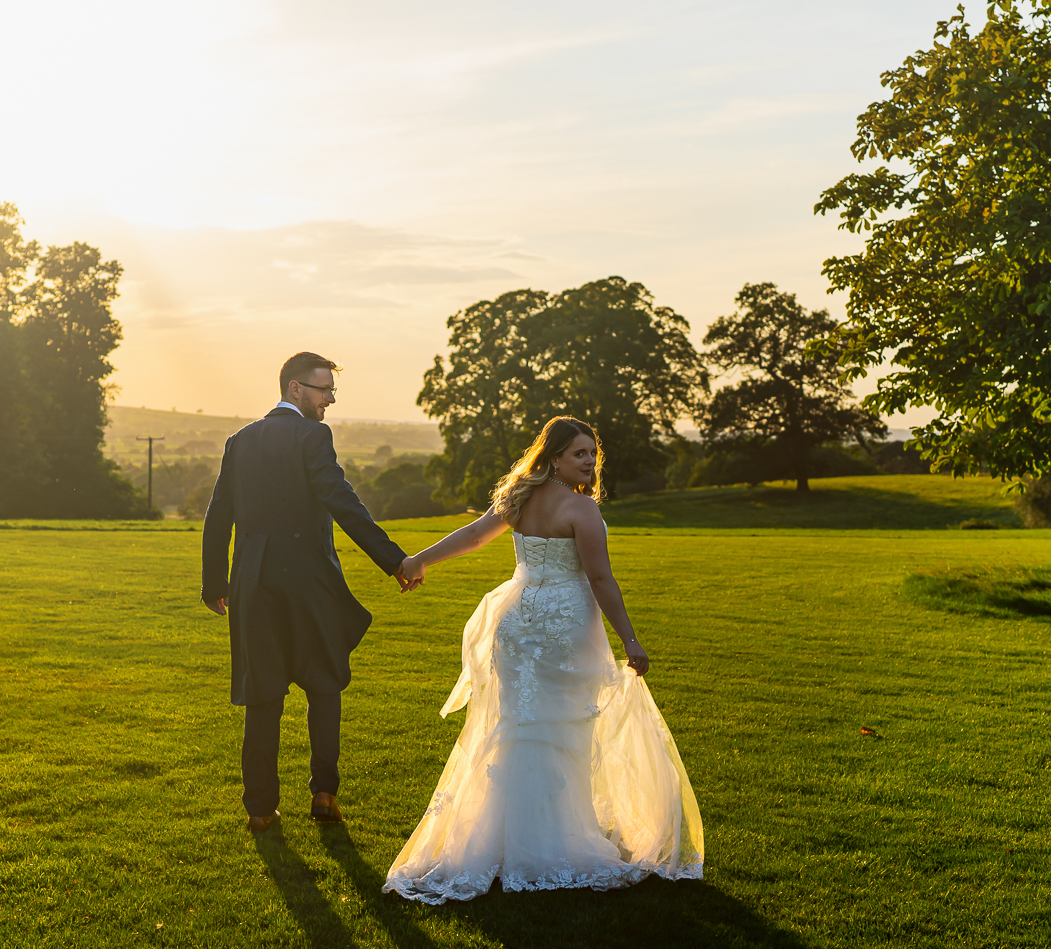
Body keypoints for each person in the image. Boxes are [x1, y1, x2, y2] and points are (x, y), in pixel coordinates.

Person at [382, 416, 703, 903]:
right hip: (565, 628)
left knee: (518, 728)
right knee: (562, 731)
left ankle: (499, 844)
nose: (590, 463)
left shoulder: (520, 499)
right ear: (554, 457)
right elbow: (600, 580)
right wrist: (630, 639)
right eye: (579, 454)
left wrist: (421, 560)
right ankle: (549, 845)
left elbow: (472, 536)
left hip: (515, 623)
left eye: (593, 454)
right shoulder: (581, 510)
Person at [202, 351, 419, 833]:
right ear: (295, 389)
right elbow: (340, 499)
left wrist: (215, 583)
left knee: (263, 696)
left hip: (253, 585)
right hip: (309, 580)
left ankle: (260, 808)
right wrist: (394, 559)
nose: (331, 400)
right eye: (324, 390)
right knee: (324, 685)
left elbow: (219, 515)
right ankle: (324, 795)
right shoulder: (312, 434)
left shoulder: (240, 440)